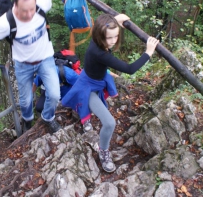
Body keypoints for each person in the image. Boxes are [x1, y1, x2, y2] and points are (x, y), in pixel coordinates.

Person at [0, 0, 81, 134]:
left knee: (55, 94)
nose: (29, 14)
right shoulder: (6, 21)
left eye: (31, 9)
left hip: (45, 59)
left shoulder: (40, 4)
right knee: (26, 101)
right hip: (23, 64)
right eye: (24, 11)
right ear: (15, 6)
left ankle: (48, 118)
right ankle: (27, 119)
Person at [61, 13, 159, 173]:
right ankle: (103, 151)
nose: (113, 41)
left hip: (95, 79)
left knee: (98, 110)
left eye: (116, 36)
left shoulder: (98, 39)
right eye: (109, 38)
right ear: (100, 36)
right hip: (87, 87)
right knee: (109, 123)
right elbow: (130, 69)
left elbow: (103, 26)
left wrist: (115, 21)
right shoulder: (100, 53)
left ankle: (86, 118)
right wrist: (148, 52)